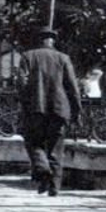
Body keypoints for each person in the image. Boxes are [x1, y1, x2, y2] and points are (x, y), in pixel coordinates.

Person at [17, 26, 83, 196]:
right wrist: (77, 109)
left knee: (34, 142)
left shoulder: (27, 56)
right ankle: (54, 186)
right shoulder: (63, 58)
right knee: (56, 146)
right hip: (60, 109)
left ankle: (42, 169)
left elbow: (21, 83)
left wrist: (26, 102)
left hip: (35, 109)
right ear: (52, 41)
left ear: (39, 40)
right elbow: (72, 86)